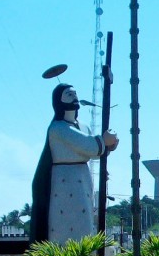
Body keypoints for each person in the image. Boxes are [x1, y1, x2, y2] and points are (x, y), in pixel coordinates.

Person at [30, 83, 119, 245]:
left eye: (74, 93)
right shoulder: (58, 128)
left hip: (83, 178)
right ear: (59, 100)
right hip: (64, 181)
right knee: (63, 223)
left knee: (84, 222)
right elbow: (88, 145)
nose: (74, 96)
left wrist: (109, 146)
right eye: (68, 94)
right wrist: (104, 141)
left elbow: (93, 152)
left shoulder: (83, 126)